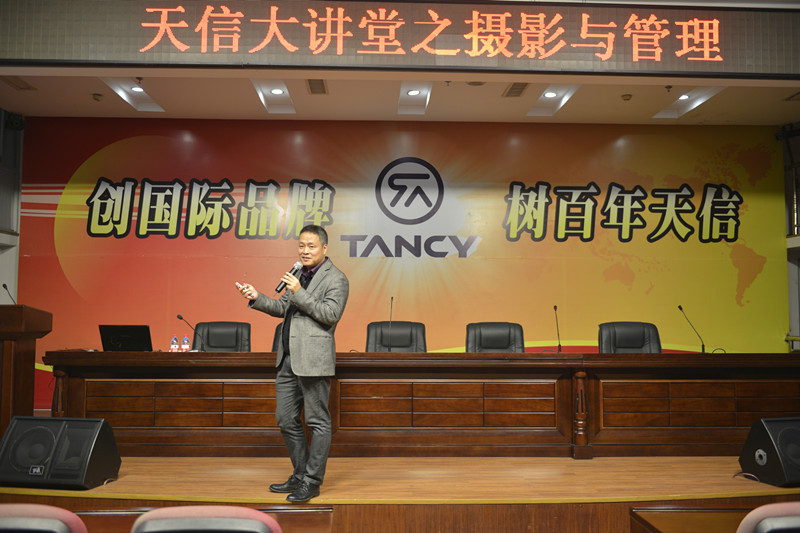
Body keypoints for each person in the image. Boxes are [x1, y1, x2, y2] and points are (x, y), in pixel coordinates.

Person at [236, 224, 349, 503]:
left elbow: (330, 314)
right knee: (285, 419)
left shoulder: (336, 278)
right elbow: (281, 308)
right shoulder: (297, 274)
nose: (304, 251)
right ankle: (300, 474)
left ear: (324, 248)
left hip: (313, 361)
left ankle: (312, 481)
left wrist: (299, 292)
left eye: (311, 246)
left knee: (317, 421)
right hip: (287, 359)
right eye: (301, 245)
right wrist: (257, 297)